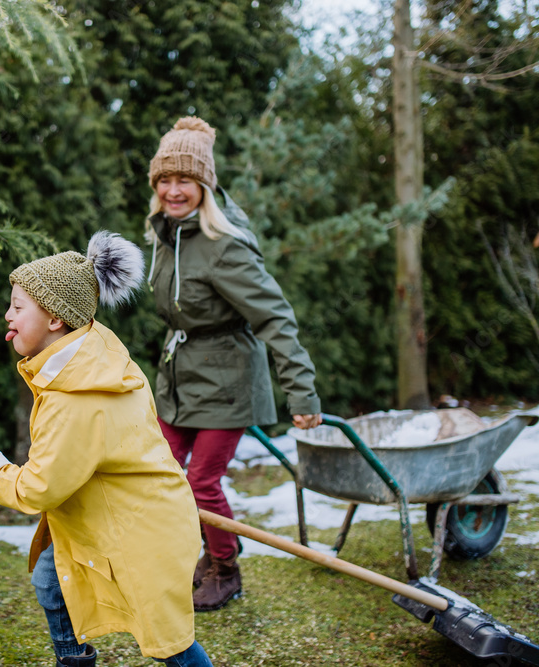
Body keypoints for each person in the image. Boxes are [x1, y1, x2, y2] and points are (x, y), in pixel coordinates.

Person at [0, 231, 214, 667]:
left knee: (168, 641)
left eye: (18, 307)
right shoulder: (94, 351)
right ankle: (73, 659)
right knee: (50, 581)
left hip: (140, 533)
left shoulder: (77, 397)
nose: (7, 315)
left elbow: (42, 486)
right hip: (115, 517)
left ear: (57, 320)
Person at [145, 116, 323, 612]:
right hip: (179, 376)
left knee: (200, 481)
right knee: (156, 468)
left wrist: (301, 393)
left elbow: (276, 318)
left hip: (228, 381)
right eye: (165, 179)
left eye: (185, 179)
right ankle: (207, 545)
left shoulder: (225, 247)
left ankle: (225, 567)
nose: (174, 190)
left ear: (205, 184)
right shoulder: (165, 234)